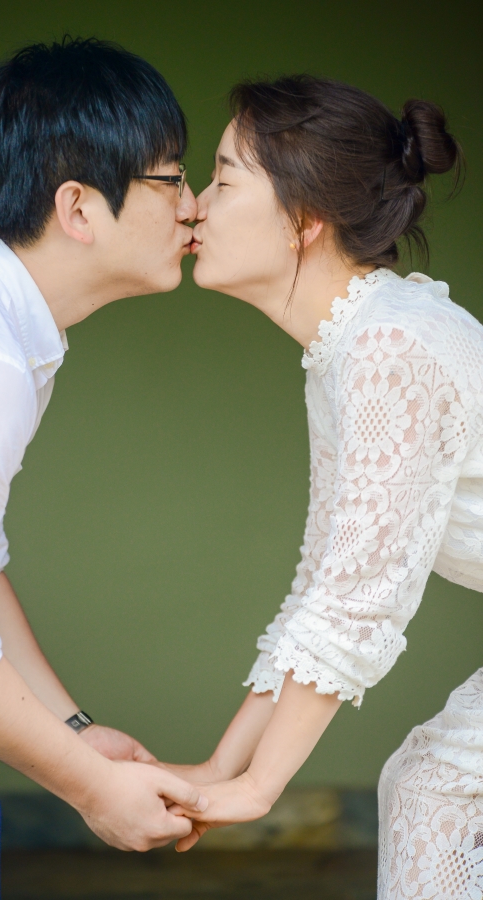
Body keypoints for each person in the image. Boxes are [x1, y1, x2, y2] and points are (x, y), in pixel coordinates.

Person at [0, 36, 207, 900]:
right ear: (78, 207)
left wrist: (74, 731)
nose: (193, 208)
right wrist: (92, 788)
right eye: (172, 179)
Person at [165, 75, 483, 898]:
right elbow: (322, 584)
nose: (193, 207)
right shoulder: (350, 346)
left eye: (223, 179)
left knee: (432, 790)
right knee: (428, 787)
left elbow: (356, 599)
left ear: (304, 219)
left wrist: (258, 788)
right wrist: (223, 768)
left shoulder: (388, 348)